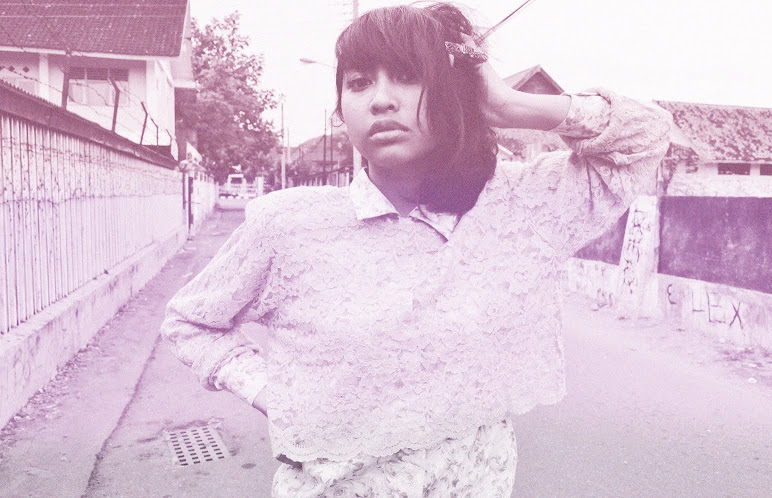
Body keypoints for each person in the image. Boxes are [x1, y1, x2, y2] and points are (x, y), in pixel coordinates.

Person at [161, 2, 672, 496]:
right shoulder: (291, 225)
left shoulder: (521, 206)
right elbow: (190, 322)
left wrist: (508, 105)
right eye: (359, 83)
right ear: (340, 110)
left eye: (407, 76)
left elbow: (648, 137)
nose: (381, 100)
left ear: (452, 95)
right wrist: (277, 396)